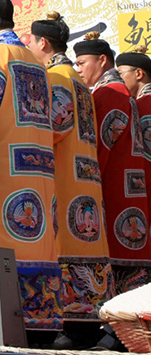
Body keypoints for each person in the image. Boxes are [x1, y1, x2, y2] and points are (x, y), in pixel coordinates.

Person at [0, 0, 61, 332]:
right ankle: (43, 321)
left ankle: (3, 323)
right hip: (39, 167)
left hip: (1, 170)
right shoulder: (37, 65)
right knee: (38, 242)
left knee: (2, 243)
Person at [27, 14, 113, 345]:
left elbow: (54, 127)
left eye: (32, 42)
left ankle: (72, 321)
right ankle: (88, 320)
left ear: (43, 43)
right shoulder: (79, 81)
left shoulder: (57, 79)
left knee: (68, 243)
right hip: (85, 176)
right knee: (87, 240)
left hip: (65, 177)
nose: (31, 47)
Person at [75, 33, 151, 294]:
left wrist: (87, 180)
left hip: (117, 187)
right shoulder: (122, 93)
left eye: (82, 62)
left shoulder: (110, 94)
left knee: (122, 256)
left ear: (101, 60)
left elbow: (100, 146)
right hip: (133, 185)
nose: (79, 69)